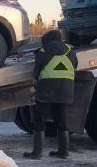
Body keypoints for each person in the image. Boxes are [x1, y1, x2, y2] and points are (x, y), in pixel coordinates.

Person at [23, 30, 78, 159]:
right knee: (61, 120)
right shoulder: (71, 52)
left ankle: (37, 153)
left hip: (46, 90)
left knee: (39, 119)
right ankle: (63, 152)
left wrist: (37, 81)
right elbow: (74, 67)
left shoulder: (42, 52)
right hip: (65, 90)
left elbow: (36, 73)